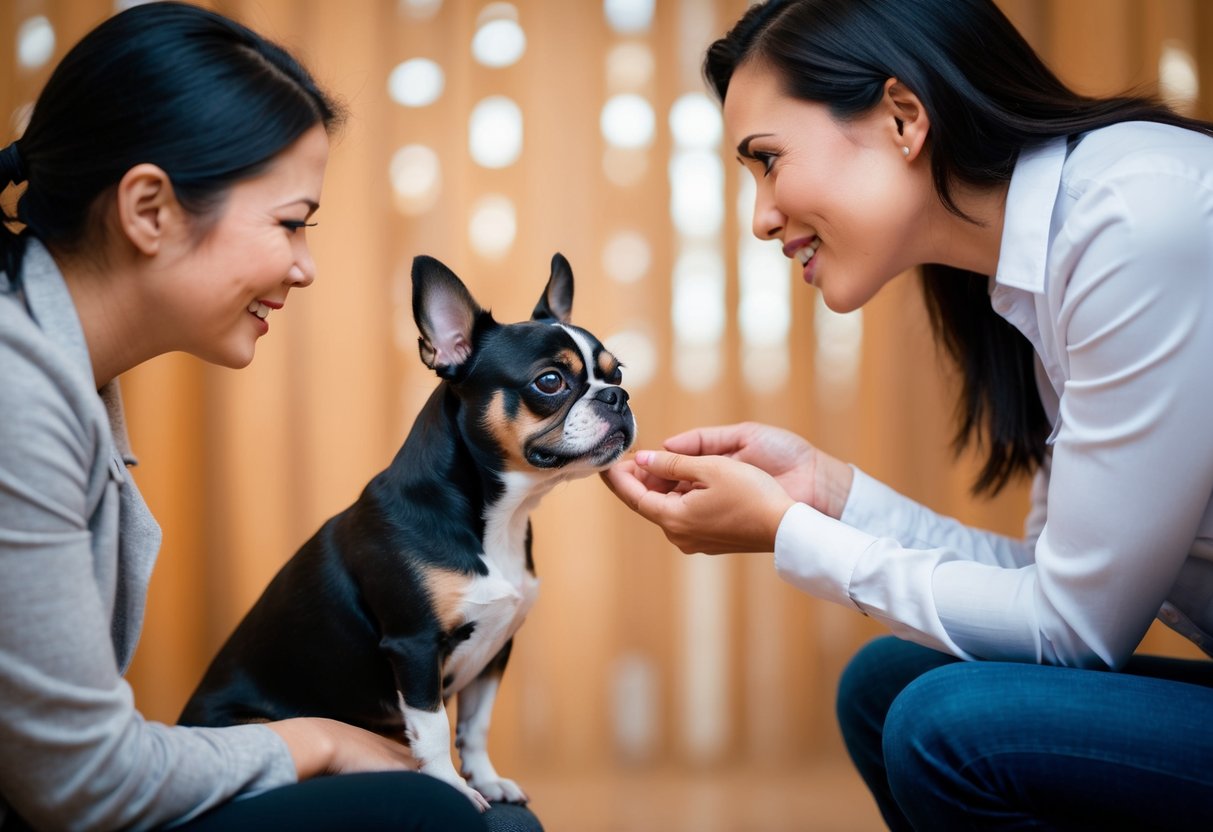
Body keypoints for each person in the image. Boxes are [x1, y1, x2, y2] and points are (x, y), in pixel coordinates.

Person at [603, 0, 1213, 828]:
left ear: (902, 117)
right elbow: (1053, 585)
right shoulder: (1037, 271)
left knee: (947, 725)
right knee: (886, 683)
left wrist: (789, 532)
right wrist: (829, 494)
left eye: (768, 160)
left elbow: (1070, 633)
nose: (760, 218)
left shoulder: (1133, 222)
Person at [0, 4, 541, 831]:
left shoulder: (58, 372)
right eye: (291, 224)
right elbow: (84, 779)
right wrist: (317, 741)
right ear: (149, 209)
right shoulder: (19, 393)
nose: (305, 266)